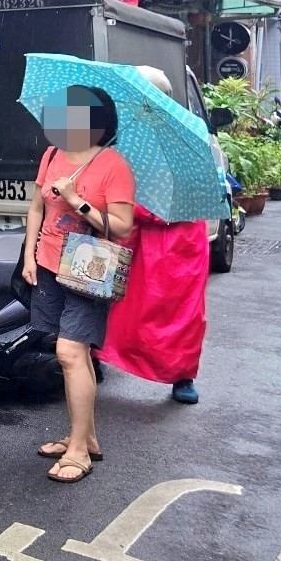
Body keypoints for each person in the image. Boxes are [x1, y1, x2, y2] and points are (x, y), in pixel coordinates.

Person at [21, 84, 136, 485]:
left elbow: (122, 226)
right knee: (73, 352)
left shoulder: (113, 164)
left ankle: (78, 452)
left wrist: (77, 200)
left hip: (90, 268)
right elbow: (36, 207)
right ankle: (84, 437)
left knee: (70, 352)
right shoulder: (52, 154)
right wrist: (29, 256)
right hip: (50, 263)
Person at [99, 66, 212, 405]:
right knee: (108, 301)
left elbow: (193, 191)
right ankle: (96, 355)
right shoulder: (119, 134)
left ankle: (181, 374)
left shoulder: (189, 134)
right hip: (127, 231)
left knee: (181, 312)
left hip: (178, 238)